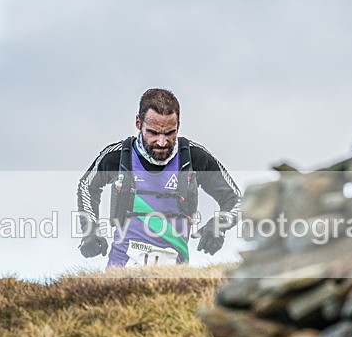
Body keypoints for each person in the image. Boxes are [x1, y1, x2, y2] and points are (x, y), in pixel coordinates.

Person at [76, 88, 241, 267]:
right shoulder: (118, 156)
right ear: (139, 123)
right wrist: (90, 231)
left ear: (178, 124)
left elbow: (236, 200)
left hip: (176, 272)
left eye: (170, 133)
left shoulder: (194, 157)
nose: (162, 142)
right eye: (153, 133)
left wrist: (218, 225)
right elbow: (86, 186)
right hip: (122, 267)